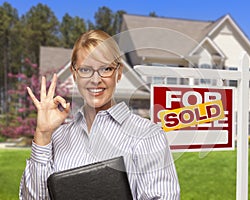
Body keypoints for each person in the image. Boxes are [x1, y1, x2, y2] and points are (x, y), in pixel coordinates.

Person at [19, 30, 180, 199]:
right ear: (74, 74)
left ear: (118, 73)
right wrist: (43, 135)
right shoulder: (58, 137)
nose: (96, 80)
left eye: (106, 68)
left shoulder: (148, 134)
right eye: (85, 70)